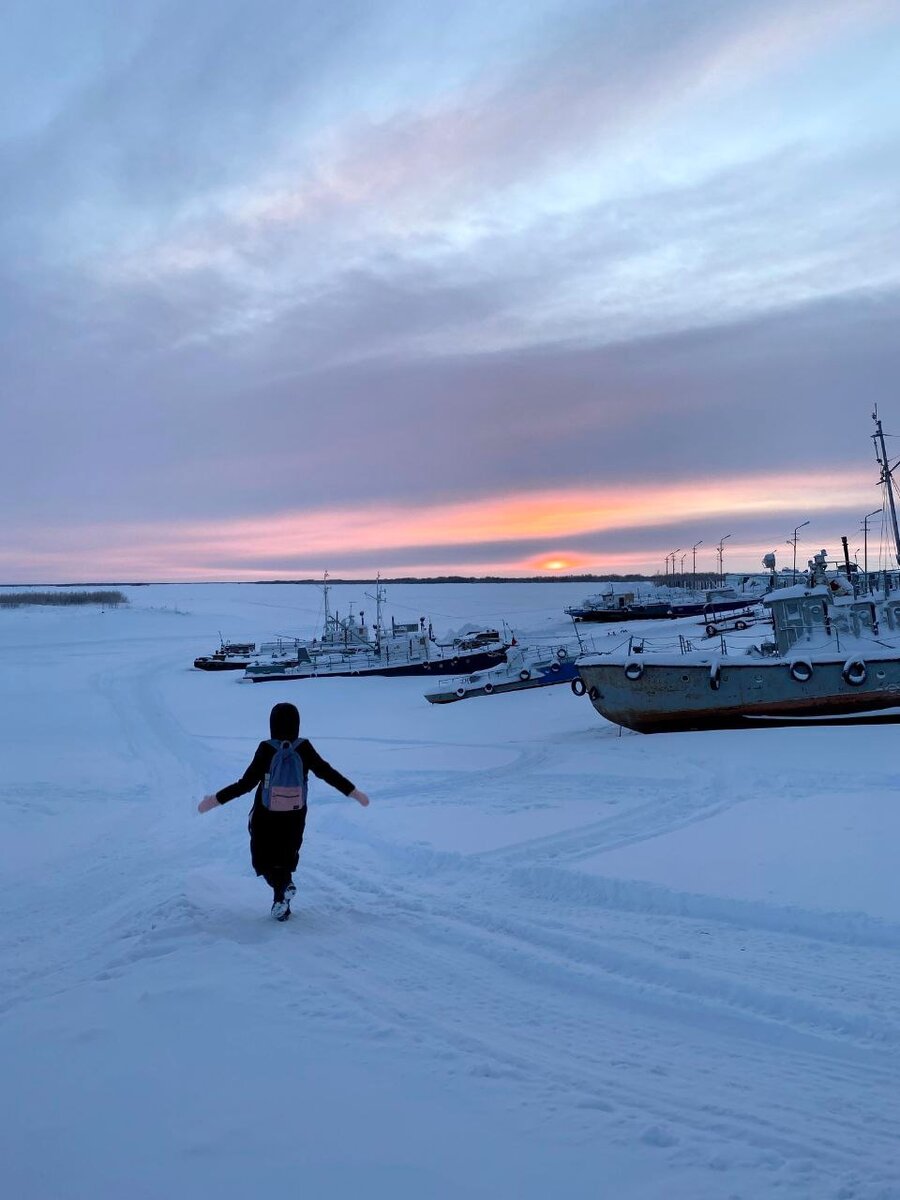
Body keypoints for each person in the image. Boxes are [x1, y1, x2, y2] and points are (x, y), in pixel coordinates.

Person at [198, 701, 369, 920]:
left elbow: (246, 784)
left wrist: (214, 800)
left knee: (263, 859)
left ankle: (283, 887)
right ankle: (282, 902)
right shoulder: (304, 748)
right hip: (296, 814)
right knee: (285, 858)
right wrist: (354, 792)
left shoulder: (266, 748)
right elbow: (327, 772)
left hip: (266, 814)